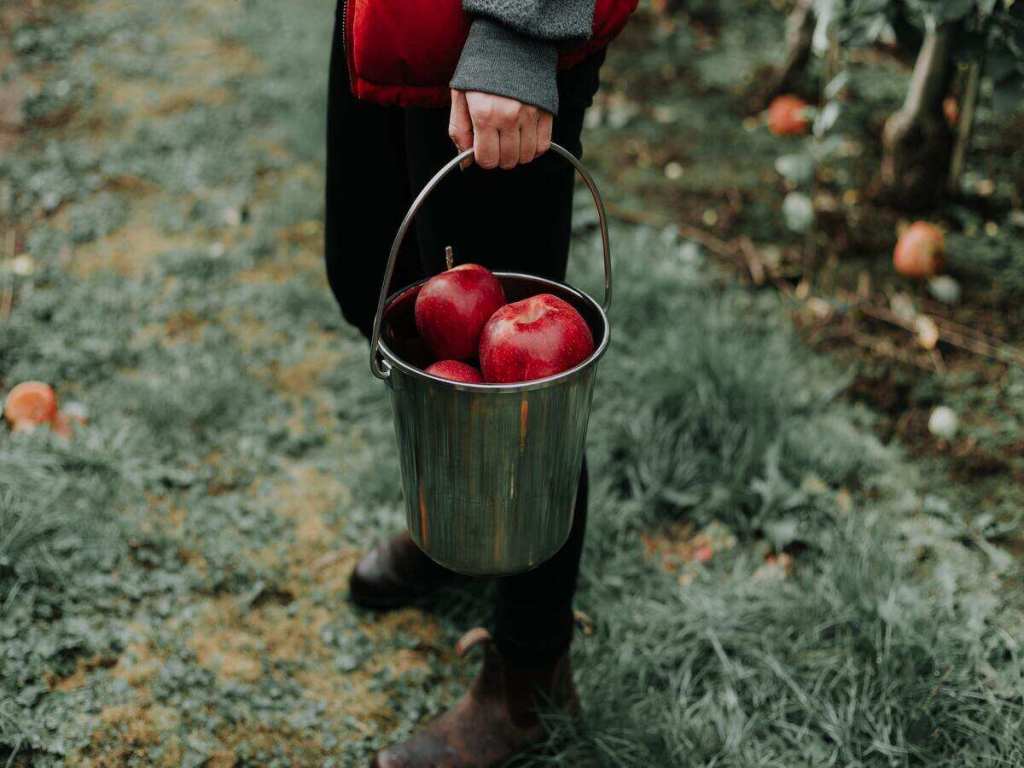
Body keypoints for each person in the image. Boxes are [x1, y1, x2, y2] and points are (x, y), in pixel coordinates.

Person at [323, 1, 633, 765]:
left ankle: (531, 676)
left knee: (518, 393)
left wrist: (519, 30)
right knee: (375, 277)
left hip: (490, 36)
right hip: (394, 23)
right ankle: (462, 522)